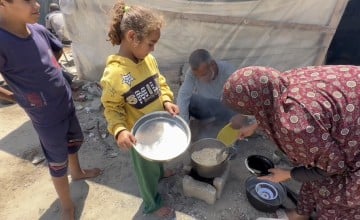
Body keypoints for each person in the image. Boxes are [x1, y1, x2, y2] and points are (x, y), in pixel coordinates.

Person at [0, 1, 101, 219]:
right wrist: (12, 96)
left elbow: (54, 53)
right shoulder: (2, 41)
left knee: (73, 140)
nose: (36, 4)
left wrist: (47, 76)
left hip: (63, 101)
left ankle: (77, 172)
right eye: (27, 1)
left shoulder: (37, 30)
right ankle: (66, 205)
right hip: (44, 115)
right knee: (57, 158)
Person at [222, 65, 360, 219]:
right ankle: (301, 214)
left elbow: (332, 167)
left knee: (334, 193)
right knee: (310, 162)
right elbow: (270, 106)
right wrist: (255, 126)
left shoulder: (295, 125)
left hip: (353, 142)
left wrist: (288, 174)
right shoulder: (281, 82)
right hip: (350, 112)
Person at [100, 1, 179, 218]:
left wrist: (165, 101)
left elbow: (159, 82)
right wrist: (119, 130)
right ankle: (152, 203)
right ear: (133, 37)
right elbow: (112, 107)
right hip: (139, 136)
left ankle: (161, 173)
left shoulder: (148, 59)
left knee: (159, 157)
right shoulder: (115, 74)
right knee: (146, 171)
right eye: (151, 43)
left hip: (158, 124)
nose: (153, 48)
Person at [176, 49, 236, 125]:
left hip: (225, 106)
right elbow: (183, 95)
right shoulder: (191, 73)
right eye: (197, 76)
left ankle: (222, 123)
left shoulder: (228, 71)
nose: (201, 79)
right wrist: (184, 124)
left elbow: (238, 96)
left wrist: (240, 116)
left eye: (204, 75)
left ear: (212, 64)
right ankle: (208, 122)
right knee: (189, 101)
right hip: (206, 106)